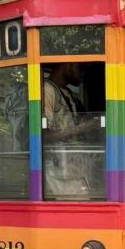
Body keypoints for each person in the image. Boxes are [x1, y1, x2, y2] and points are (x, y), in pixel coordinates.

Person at [42, 63, 96, 197]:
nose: (83, 74)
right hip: (58, 172)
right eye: (81, 68)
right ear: (67, 65)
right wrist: (81, 129)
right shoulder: (47, 90)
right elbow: (43, 136)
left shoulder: (67, 93)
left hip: (74, 170)